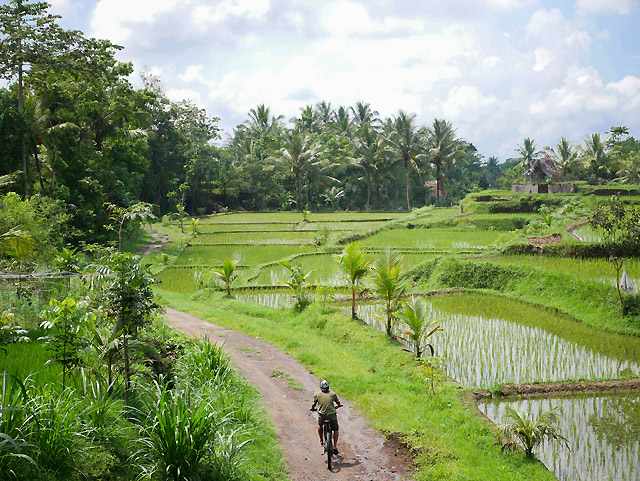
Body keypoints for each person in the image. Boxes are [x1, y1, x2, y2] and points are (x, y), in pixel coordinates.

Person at [310, 379, 342, 454]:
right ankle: (335, 446)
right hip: (332, 416)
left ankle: (321, 440)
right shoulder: (333, 394)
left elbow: (313, 405)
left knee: (320, 425)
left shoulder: (317, 395)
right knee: (336, 430)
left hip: (322, 416)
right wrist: (338, 406)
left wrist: (313, 409)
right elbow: (338, 403)